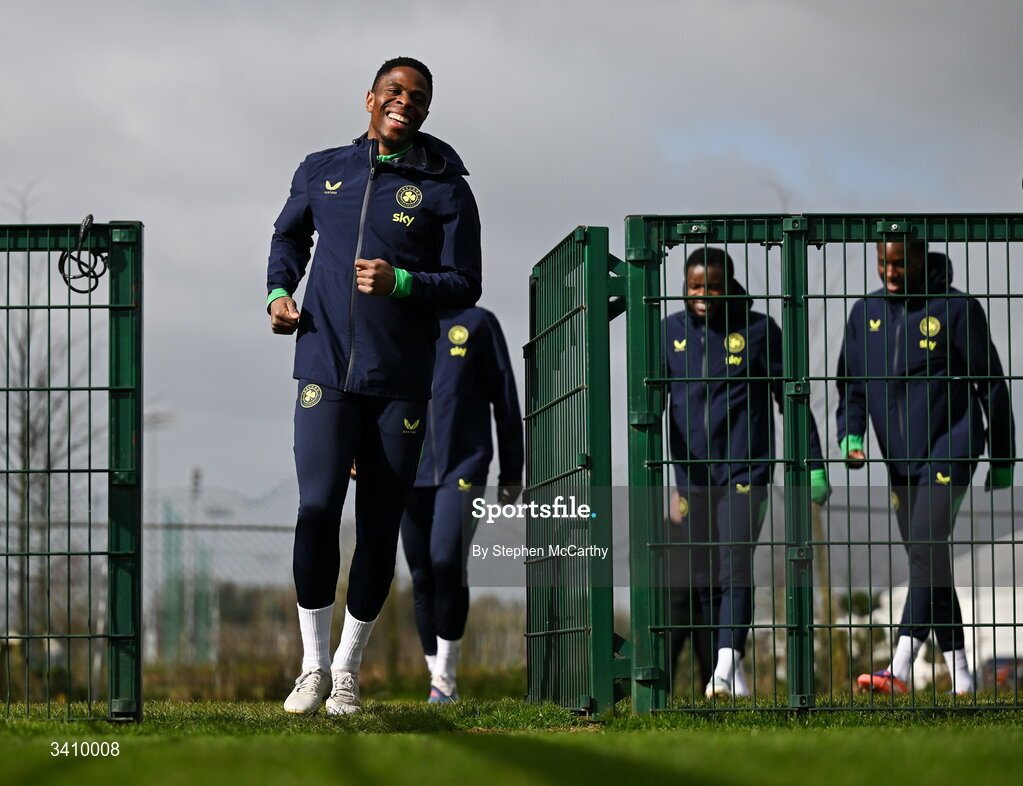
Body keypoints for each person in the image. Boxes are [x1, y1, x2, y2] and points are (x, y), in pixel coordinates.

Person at [266, 57, 482, 715]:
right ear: (369, 99)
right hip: (323, 367)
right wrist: (279, 291)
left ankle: (347, 669)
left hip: (399, 382)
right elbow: (287, 235)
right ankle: (311, 668)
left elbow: (466, 284)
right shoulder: (321, 168)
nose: (405, 103)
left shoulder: (446, 187)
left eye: (418, 97)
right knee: (316, 510)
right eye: (394, 91)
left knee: (380, 525)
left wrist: (404, 283)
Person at [837, 240, 1015, 695]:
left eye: (899, 263)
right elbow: (851, 387)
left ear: (920, 259)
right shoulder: (864, 314)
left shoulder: (957, 308)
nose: (889, 272)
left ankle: (898, 666)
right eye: (882, 263)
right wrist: (851, 435)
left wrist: (1002, 456)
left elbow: (991, 383)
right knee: (928, 559)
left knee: (927, 546)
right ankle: (963, 674)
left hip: (952, 444)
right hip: (899, 459)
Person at [664, 247, 830, 699]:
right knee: (702, 574)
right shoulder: (667, 333)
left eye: (712, 288)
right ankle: (728, 668)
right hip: (691, 476)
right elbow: (652, 406)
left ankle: (722, 666)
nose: (703, 296)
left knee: (735, 563)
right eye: (695, 287)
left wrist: (814, 464)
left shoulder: (758, 331)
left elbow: (790, 400)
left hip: (746, 471)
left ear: (728, 285)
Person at [399, 306, 523, 702]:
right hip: (405, 465)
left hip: (464, 465)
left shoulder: (478, 323)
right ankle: (436, 677)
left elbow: (505, 399)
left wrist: (512, 468)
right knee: (421, 574)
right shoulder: (397, 312)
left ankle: (447, 674)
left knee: (447, 561)